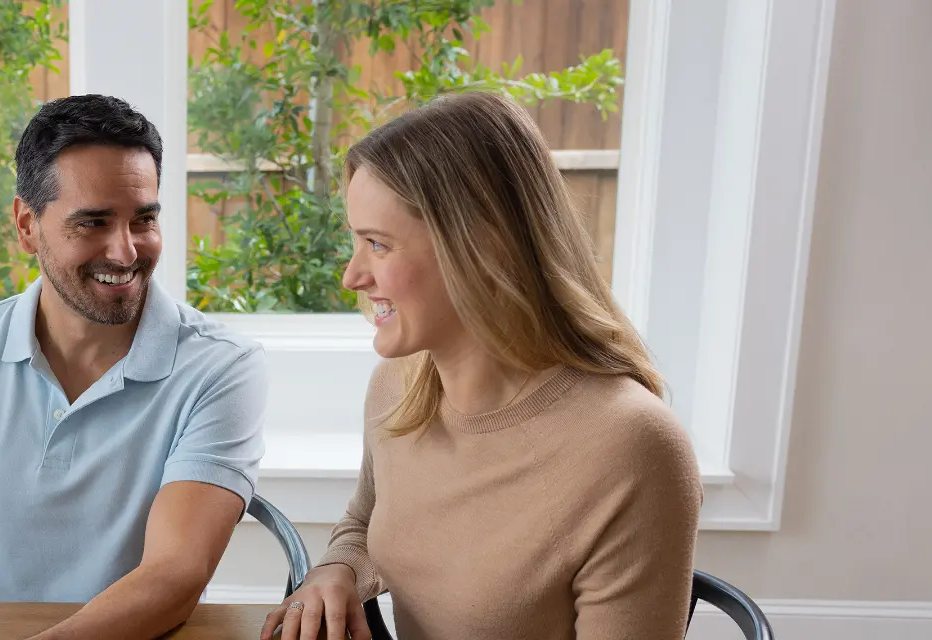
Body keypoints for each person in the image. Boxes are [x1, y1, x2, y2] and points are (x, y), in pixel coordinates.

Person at [262, 91, 702, 640]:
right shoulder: (399, 388)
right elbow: (363, 522)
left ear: (483, 245)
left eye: (378, 244)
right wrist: (336, 571)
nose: (352, 276)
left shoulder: (632, 447)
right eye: (357, 241)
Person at [0, 94, 268, 640]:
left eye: (144, 219)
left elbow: (174, 578)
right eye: (93, 222)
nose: (125, 252)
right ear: (27, 226)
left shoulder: (221, 368)